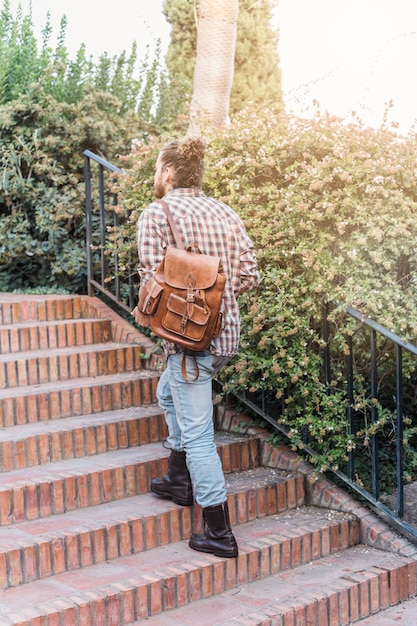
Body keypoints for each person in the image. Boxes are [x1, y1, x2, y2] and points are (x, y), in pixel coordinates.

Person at [133, 136, 259, 558]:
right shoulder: (225, 212)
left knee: (199, 434)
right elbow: (250, 274)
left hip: (188, 342)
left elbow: (152, 279)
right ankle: (177, 478)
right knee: (167, 393)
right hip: (225, 336)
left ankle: (218, 532)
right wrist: (215, 297)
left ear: (167, 172)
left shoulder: (157, 213)